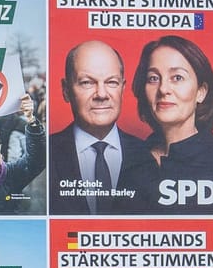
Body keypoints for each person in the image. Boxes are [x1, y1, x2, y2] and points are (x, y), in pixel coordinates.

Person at [50, 40, 157, 214]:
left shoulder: (148, 156)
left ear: (122, 88)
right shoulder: (45, 154)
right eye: (87, 82)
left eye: (111, 82)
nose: (101, 94)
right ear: (66, 90)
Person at [134, 35, 213, 213]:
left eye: (177, 77)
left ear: (201, 92)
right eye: (153, 78)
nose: (163, 89)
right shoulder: (129, 160)